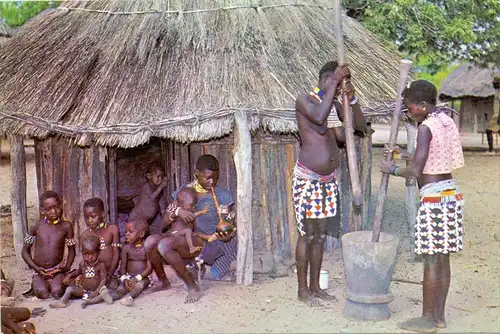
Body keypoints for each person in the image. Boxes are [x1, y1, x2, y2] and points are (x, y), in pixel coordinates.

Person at [381, 80, 464, 332]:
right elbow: (431, 157)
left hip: (434, 200)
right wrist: (402, 153)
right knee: (442, 259)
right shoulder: (445, 120)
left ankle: (426, 319)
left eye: (411, 107)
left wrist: (392, 168)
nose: (409, 112)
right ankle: (439, 316)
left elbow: (416, 170)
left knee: (430, 260)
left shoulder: (426, 127)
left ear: (423, 105)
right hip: (451, 194)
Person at [293, 61, 367, 307]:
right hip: (309, 180)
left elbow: (359, 126)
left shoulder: (334, 105)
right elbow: (318, 117)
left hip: (328, 181)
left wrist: (352, 99)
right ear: (325, 79)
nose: (336, 90)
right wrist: (336, 81)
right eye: (333, 83)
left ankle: (316, 286)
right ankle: (303, 290)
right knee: (308, 235)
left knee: (320, 236)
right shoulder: (305, 101)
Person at [144, 154, 236, 303]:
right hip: (182, 237)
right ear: (196, 173)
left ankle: (193, 287)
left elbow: (229, 225)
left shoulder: (223, 196)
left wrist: (227, 232)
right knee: (149, 242)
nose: (211, 181)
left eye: (214, 177)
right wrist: (178, 212)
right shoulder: (184, 192)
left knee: (164, 245)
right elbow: (164, 223)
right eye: (207, 177)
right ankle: (163, 281)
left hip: (205, 242)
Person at [21, 191, 76, 299]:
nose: (53, 211)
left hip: (57, 270)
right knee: (42, 293)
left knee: (57, 293)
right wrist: (37, 269)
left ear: (61, 206)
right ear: (42, 210)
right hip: (39, 270)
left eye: (56, 207)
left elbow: (72, 251)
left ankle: (56, 282)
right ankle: (38, 284)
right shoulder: (36, 226)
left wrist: (65, 268)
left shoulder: (66, 226)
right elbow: (24, 251)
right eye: (48, 209)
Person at [49, 235, 113, 309]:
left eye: (93, 254)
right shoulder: (82, 264)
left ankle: (93, 301)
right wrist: (69, 276)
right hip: (85, 291)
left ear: (98, 252)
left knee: (104, 292)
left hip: (97, 291)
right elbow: (77, 272)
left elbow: (103, 279)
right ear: (82, 253)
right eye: (86, 254)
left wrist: (97, 291)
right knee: (70, 289)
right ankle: (62, 302)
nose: (90, 257)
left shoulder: (100, 265)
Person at [80, 198, 121, 289]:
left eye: (93, 216)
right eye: (86, 217)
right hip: (94, 273)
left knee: (113, 287)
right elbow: (85, 260)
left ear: (102, 214)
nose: (89, 220)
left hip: (111, 272)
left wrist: (110, 274)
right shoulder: (85, 235)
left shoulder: (112, 229)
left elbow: (116, 253)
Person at [110, 219, 152, 306]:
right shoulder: (126, 248)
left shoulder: (147, 248)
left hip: (143, 277)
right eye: (126, 231)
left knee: (139, 286)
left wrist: (137, 279)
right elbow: (123, 267)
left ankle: (129, 297)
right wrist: (124, 278)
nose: (126, 234)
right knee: (121, 288)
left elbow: (149, 268)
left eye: (130, 231)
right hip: (129, 276)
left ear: (141, 234)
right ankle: (111, 297)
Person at [163, 187, 210, 254]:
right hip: (176, 233)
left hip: (185, 234)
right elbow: (167, 218)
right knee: (188, 231)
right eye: (191, 205)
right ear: (181, 203)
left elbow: (194, 216)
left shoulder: (189, 210)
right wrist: (177, 212)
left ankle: (209, 237)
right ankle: (191, 248)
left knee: (197, 234)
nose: (193, 207)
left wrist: (202, 211)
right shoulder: (177, 209)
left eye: (194, 205)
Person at [485, 76, 500, 153]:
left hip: (498, 116)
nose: (493, 85)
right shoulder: (497, 91)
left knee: (488, 130)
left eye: (495, 83)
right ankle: (491, 149)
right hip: (496, 115)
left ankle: (491, 149)